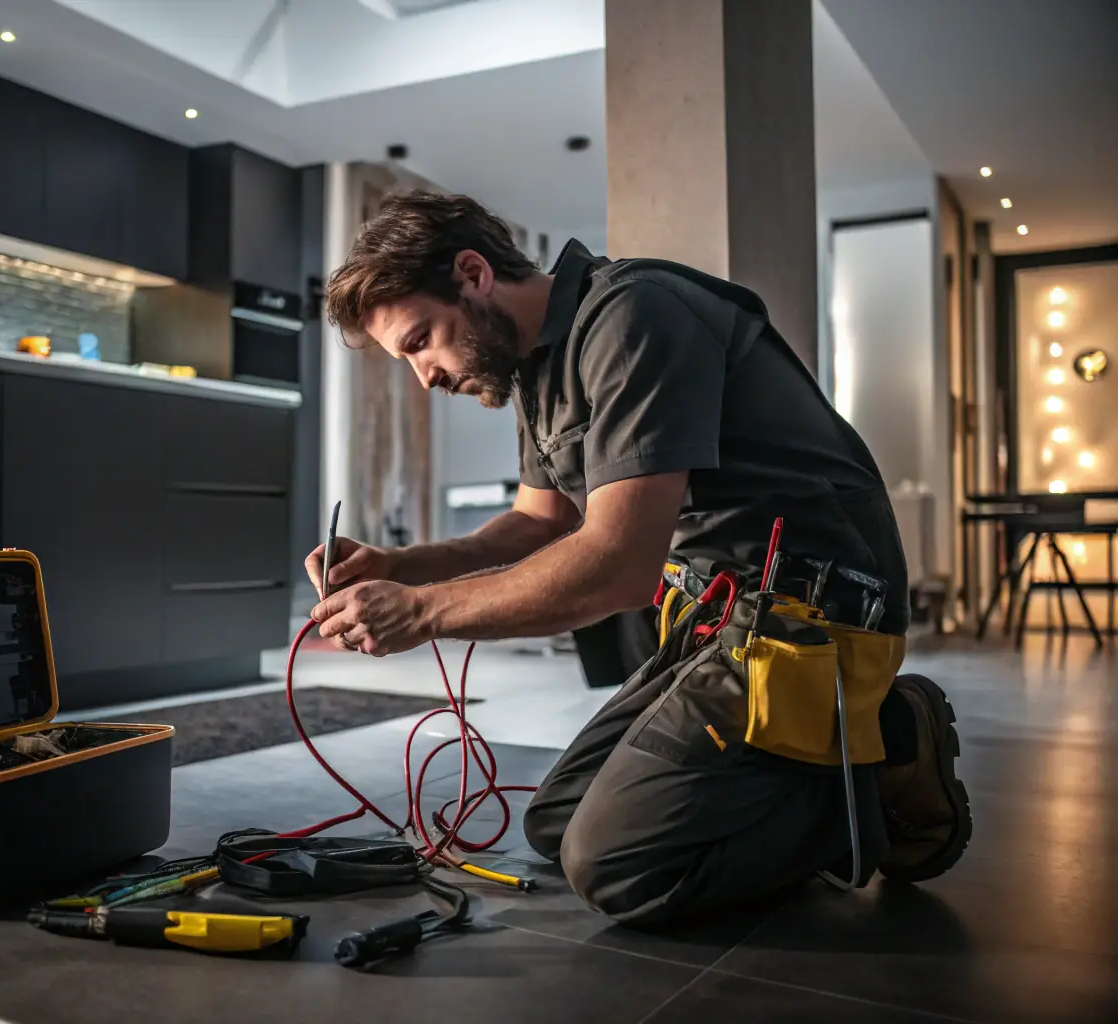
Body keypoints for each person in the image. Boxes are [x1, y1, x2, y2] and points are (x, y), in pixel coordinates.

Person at [305, 190, 972, 929]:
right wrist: (402, 565)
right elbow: (536, 522)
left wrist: (424, 613)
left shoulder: (636, 316)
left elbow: (618, 566)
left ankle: (886, 753)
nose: (423, 376)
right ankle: (800, 777)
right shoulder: (534, 368)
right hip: (717, 625)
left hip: (813, 621)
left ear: (472, 273)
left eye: (421, 340)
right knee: (557, 825)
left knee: (618, 865)